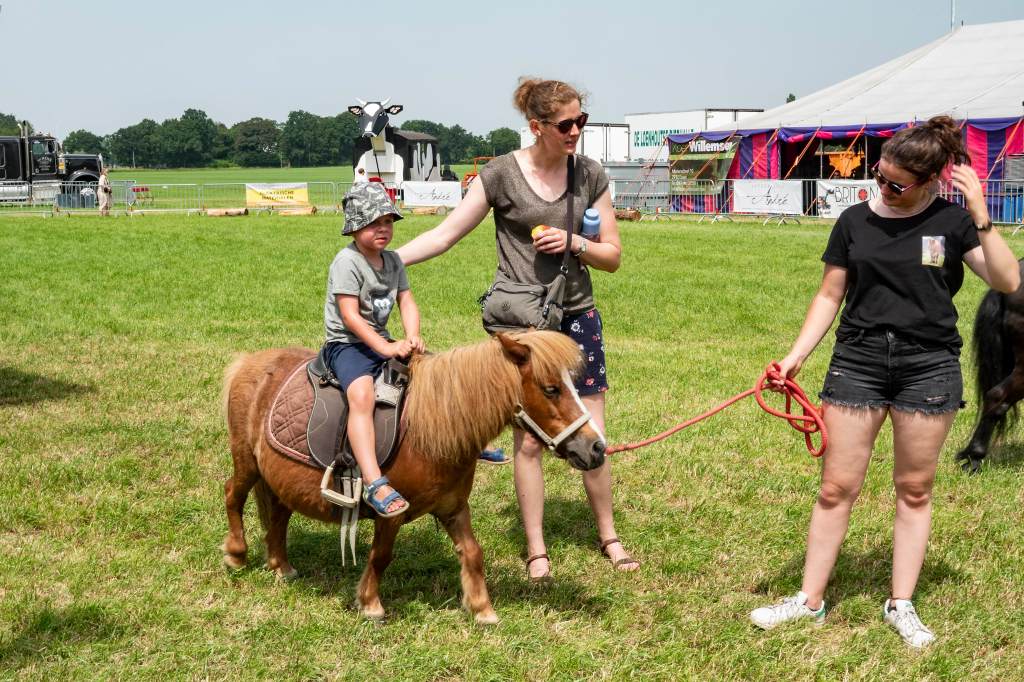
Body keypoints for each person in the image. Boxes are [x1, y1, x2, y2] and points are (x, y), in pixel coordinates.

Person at [749, 116, 1020, 647]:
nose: (884, 189)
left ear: (930, 181)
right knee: (836, 487)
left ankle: (901, 603)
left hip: (929, 367)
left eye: (896, 185)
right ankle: (809, 600)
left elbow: (1008, 281)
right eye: (880, 177)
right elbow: (830, 294)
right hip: (858, 361)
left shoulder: (953, 223)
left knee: (914, 490)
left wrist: (982, 216)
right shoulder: (854, 221)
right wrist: (796, 356)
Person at [397, 77, 639, 580]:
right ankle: (536, 550)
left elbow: (612, 256)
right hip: (524, 326)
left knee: (592, 430)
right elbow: (445, 235)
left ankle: (609, 537)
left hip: (577, 317)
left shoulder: (590, 174)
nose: (576, 131)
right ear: (537, 126)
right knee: (530, 441)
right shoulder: (501, 175)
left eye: (581, 121)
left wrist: (574, 242)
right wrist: (387, 261)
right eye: (565, 124)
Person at [324, 182, 425, 517]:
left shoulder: (393, 261)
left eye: (388, 221)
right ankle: (373, 480)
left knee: (433, 376)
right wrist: (386, 347)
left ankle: (461, 442)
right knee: (362, 395)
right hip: (347, 345)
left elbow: (406, 301)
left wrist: (412, 336)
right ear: (354, 227)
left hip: (382, 340)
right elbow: (350, 316)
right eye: (373, 222)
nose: (383, 228)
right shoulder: (347, 262)